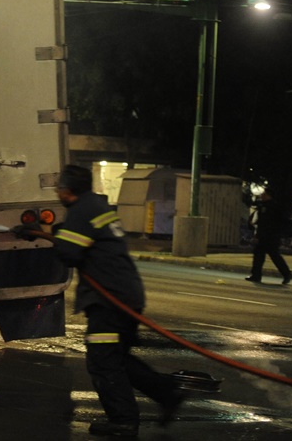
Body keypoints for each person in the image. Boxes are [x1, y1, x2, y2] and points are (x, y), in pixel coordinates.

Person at [15, 164, 183, 437]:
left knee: (102, 360)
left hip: (110, 300)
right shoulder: (94, 205)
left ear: (67, 190)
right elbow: (77, 240)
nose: (57, 191)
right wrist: (40, 232)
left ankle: (124, 420)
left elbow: (70, 252)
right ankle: (167, 394)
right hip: (124, 295)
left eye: (59, 187)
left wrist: (44, 234)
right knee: (117, 358)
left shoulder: (81, 210)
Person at [245, 186, 292, 285]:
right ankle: (256, 275)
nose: (262, 195)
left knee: (273, 256)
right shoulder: (268, 206)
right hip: (271, 235)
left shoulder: (268, 207)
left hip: (269, 236)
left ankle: (286, 274)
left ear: (268, 195)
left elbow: (265, 223)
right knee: (259, 256)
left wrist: (257, 236)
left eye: (264, 194)